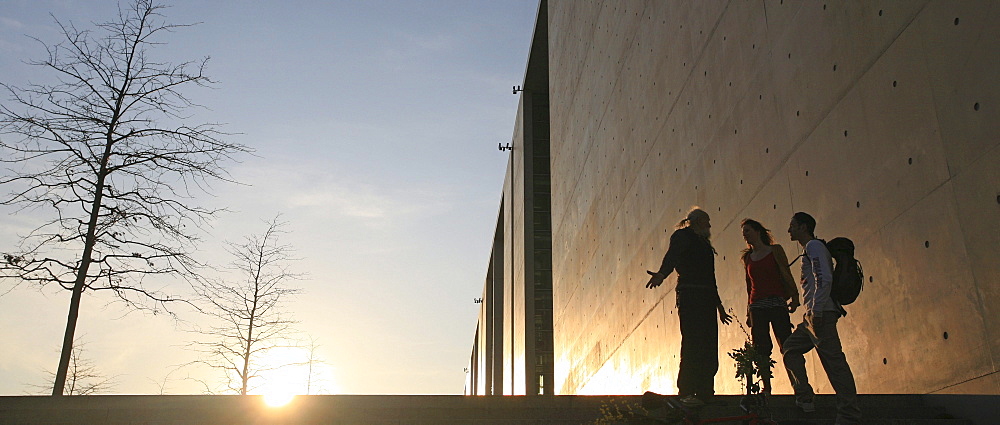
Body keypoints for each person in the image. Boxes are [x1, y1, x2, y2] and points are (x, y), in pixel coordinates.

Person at [646, 207, 732, 406]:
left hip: (706, 298)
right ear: (699, 221)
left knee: (709, 344)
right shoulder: (683, 236)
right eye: (707, 221)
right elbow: (673, 256)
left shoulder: (704, 243)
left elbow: (710, 277)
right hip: (691, 296)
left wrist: (718, 305)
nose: (710, 226)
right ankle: (687, 390)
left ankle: (704, 391)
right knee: (693, 343)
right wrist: (661, 274)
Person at [782, 212, 861, 424]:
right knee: (790, 349)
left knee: (834, 364)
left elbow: (823, 278)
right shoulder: (810, 249)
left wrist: (816, 312)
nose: (789, 230)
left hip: (821, 314)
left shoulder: (814, 248)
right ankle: (805, 397)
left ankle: (849, 415)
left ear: (804, 227)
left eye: (793, 226)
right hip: (812, 316)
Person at [740, 218, 799, 394]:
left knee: (787, 344)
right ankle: (767, 387)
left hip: (777, 303)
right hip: (757, 306)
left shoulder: (775, 251)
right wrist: (748, 312)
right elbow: (749, 286)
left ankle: (798, 386)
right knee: (761, 348)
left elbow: (785, 273)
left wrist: (794, 296)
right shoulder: (747, 257)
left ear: (758, 231)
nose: (745, 235)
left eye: (748, 231)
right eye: (743, 233)